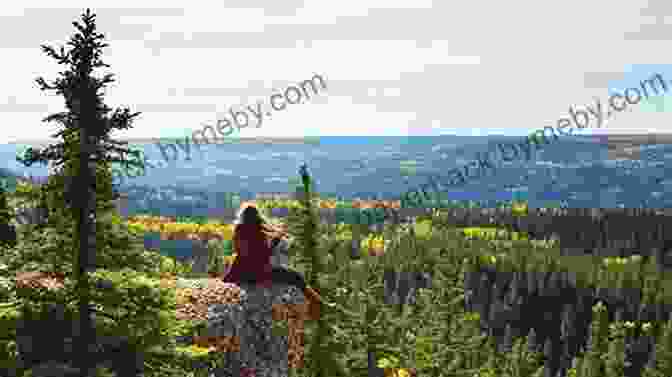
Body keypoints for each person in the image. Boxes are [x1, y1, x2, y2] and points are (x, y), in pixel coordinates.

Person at [222, 205, 337, 319]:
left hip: (241, 271)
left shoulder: (239, 230)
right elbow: (263, 257)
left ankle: (319, 304)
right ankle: (319, 303)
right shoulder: (259, 231)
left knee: (224, 281)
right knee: (296, 277)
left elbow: (240, 253)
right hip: (260, 273)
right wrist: (275, 242)